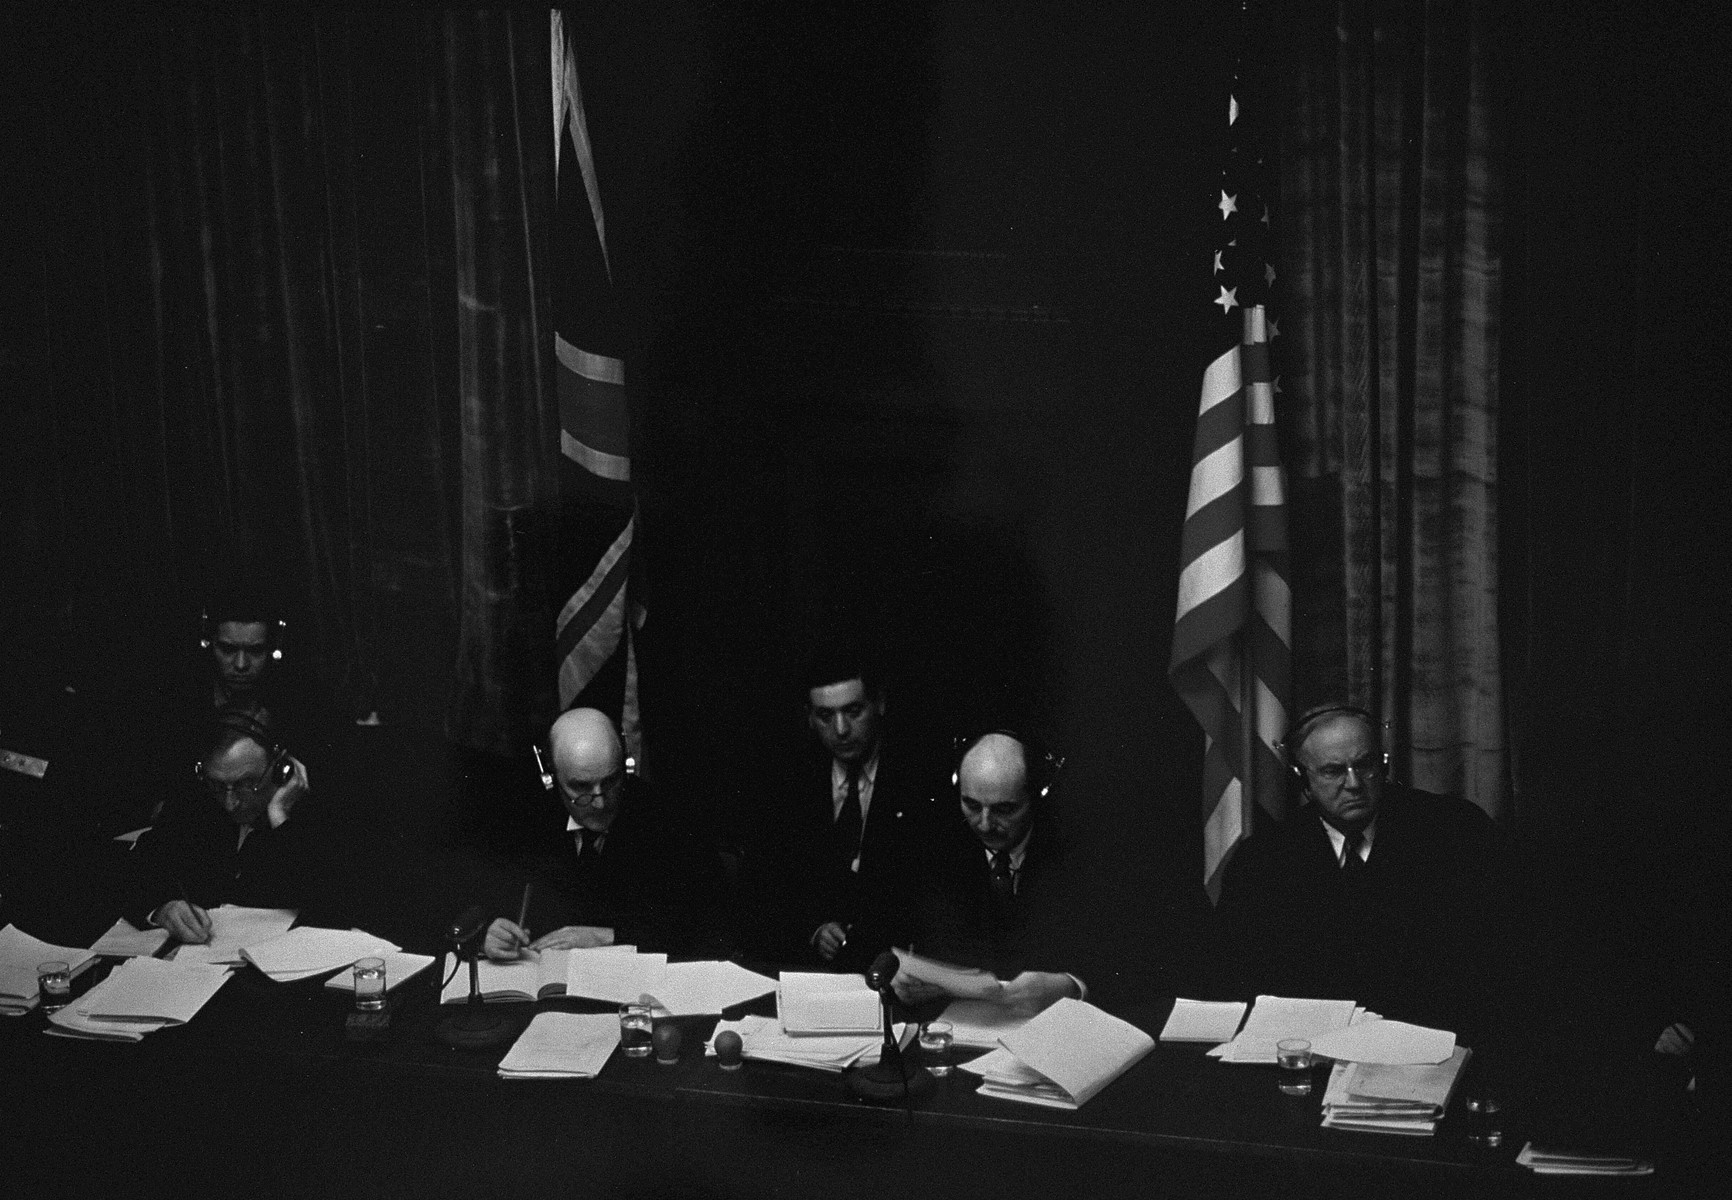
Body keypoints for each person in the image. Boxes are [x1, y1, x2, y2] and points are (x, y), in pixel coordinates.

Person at [1216, 703, 1514, 1039]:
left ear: (1382, 765)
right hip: (1316, 1048)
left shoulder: (1455, 830)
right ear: (1303, 780)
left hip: (1431, 1041)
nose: (1354, 784)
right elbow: (1241, 976)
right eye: (1333, 771)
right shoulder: (1262, 861)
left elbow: (1493, 964)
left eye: (1365, 765)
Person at [746, 647, 936, 970]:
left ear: (880, 704)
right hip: (807, 974)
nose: (841, 729)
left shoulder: (918, 781)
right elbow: (766, 890)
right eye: (825, 716)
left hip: (894, 974)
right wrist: (814, 930)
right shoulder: (788, 783)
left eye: (853, 711)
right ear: (809, 716)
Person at [482, 708, 719, 960]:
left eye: (611, 781)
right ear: (549, 777)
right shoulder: (523, 818)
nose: (600, 803)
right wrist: (488, 933)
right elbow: (476, 900)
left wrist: (609, 937)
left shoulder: (669, 820)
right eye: (580, 787)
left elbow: (704, 926)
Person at [891, 731, 1089, 1017]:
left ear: (1035, 797)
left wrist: (1069, 986)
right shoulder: (935, 847)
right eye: (971, 805)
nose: (984, 824)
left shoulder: (1073, 852)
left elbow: (1117, 960)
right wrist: (903, 981)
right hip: (957, 1029)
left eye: (1004, 809)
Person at [130, 704, 327, 942]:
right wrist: (162, 910)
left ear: (281, 770)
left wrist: (280, 816)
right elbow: (136, 873)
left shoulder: (319, 812)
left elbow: (327, 905)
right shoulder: (196, 802)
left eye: (247, 783)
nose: (230, 802)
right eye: (219, 785)